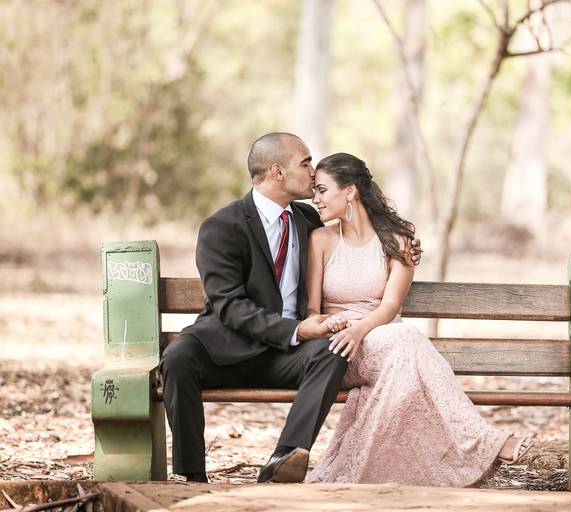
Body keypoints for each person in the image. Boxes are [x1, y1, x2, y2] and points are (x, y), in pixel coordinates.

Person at [159, 133, 423, 484]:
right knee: (178, 357)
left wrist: (402, 244)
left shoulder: (307, 221)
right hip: (227, 347)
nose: (313, 173)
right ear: (278, 171)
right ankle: (190, 476)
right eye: (306, 163)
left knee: (332, 351)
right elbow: (230, 307)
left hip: (287, 356)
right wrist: (298, 329)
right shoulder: (222, 227)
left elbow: (360, 231)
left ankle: (284, 459)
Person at [304, 153, 534, 487]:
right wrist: (331, 326)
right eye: (315, 190)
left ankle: (469, 446)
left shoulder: (399, 239)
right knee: (408, 341)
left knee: (404, 342)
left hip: (383, 339)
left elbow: (390, 306)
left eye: (323, 190)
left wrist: (360, 329)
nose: (316, 198)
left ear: (350, 191)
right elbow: (312, 309)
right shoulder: (320, 240)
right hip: (340, 351)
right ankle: (485, 441)